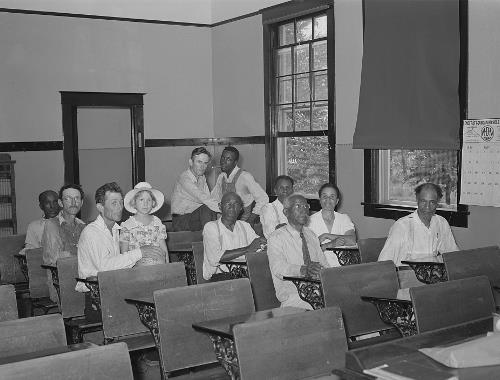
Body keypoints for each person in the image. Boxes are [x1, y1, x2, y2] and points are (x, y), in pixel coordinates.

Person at [76, 182, 164, 292]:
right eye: (114, 203)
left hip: (116, 287)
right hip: (96, 294)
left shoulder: (117, 230)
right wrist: (140, 252)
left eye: (121, 203)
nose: (119, 207)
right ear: (100, 207)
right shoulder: (91, 232)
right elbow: (105, 268)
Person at [268, 194, 329, 309]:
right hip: (294, 296)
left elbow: (324, 264)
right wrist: (303, 269)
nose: (304, 210)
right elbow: (278, 268)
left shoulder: (311, 235)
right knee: (327, 306)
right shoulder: (276, 237)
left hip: (318, 292)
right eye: (298, 206)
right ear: (286, 212)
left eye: (306, 206)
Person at [378, 182, 459, 266]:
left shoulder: (441, 223)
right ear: (417, 199)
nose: (427, 207)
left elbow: (453, 255)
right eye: (423, 201)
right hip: (405, 274)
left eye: (432, 202)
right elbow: (384, 263)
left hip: (432, 275)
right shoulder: (402, 226)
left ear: (437, 202)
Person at [202, 192, 266, 281]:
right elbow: (214, 258)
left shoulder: (245, 226)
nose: (232, 207)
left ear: (240, 209)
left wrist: (263, 244)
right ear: (220, 206)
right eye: (228, 204)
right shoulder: (211, 227)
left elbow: (258, 247)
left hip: (244, 274)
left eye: (236, 204)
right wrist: (247, 249)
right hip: (219, 276)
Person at [211, 146, 268, 225]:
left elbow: (263, 198)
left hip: (244, 218)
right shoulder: (221, 177)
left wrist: (251, 220)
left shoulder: (245, 176)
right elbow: (214, 199)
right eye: (223, 158)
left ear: (235, 162)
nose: (223, 161)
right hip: (227, 219)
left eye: (228, 159)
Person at [171, 147, 219, 231]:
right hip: (180, 221)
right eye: (199, 162)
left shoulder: (202, 177)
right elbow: (202, 197)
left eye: (205, 163)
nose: (202, 166)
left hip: (195, 218)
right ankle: (211, 238)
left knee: (210, 210)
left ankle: (214, 237)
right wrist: (224, 208)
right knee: (207, 208)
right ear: (191, 162)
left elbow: (208, 198)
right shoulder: (184, 178)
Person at [308, 183, 356, 266]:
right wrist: (330, 244)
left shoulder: (344, 218)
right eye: (324, 196)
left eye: (332, 197)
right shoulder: (309, 221)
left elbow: (352, 240)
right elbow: (309, 250)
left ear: (337, 201)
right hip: (319, 268)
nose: (328, 199)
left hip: (343, 267)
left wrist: (326, 235)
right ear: (319, 199)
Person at [121, 182, 168, 266]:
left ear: (153, 203)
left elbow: (163, 248)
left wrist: (168, 266)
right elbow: (124, 252)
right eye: (141, 200)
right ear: (134, 202)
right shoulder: (127, 225)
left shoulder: (157, 222)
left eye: (149, 200)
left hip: (158, 265)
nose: (145, 203)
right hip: (137, 267)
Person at [42, 184, 86, 266]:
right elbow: (55, 258)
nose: (73, 202)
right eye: (68, 199)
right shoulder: (52, 224)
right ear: (60, 203)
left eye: (77, 198)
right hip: (59, 275)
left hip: (81, 273)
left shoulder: (83, 226)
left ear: (81, 203)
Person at [19, 190, 60, 255]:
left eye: (55, 202)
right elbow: (31, 250)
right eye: (47, 203)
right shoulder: (34, 226)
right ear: (41, 206)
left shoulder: (69, 223)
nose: (52, 206)